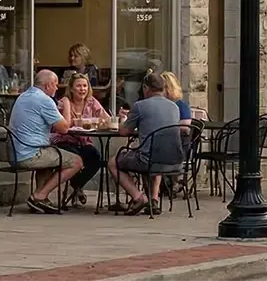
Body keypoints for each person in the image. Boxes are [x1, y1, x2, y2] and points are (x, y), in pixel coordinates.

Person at [108, 73, 186, 215]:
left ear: (145, 88)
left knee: (113, 162)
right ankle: (153, 201)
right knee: (155, 152)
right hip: (175, 161)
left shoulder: (140, 106)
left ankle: (139, 197)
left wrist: (124, 119)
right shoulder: (174, 107)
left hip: (148, 160)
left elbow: (124, 131)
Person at [7, 69, 83, 214]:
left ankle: (40, 199)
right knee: (77, 162)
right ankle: (39, 195)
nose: (57, 88)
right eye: (55, 84)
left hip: (15, 152)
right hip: (29, 154)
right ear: (48, 85)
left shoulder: (24, 96)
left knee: (49, 157)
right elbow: (64, 128)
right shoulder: (44, 100)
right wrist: (67, 105)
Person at [54, 73, 109, 206]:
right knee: (76, 157)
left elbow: (106, 119)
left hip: (83, 141)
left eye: (85, 86)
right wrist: (67, 105)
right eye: (78, 86)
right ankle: (76, 189)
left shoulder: (91, 102)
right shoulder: (63, 103)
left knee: (96, 158)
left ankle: (75, 185)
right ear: (71, 88)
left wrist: (98, 122)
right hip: (64, 140)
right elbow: (64, 126)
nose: (82, 89)